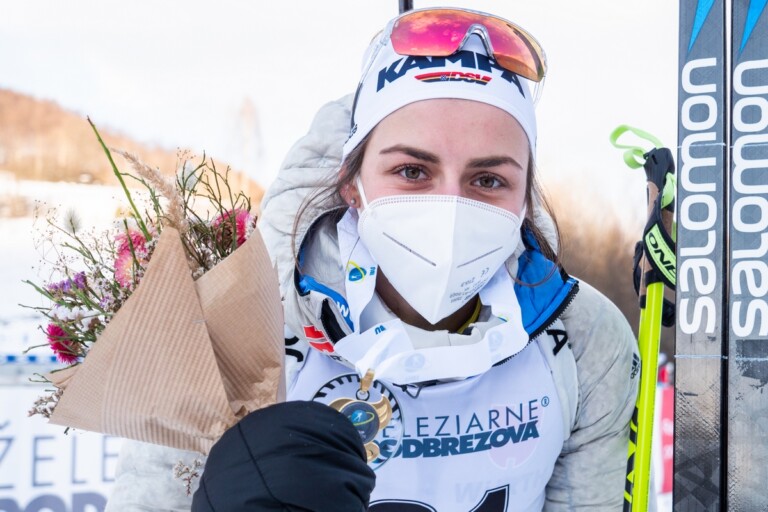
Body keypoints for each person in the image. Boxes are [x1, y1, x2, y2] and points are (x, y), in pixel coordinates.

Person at [108, 7, 641, 511]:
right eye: (412, 171)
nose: (449, 207)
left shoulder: (585, 338)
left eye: (488, 179)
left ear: (525, 197)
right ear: (352, 183)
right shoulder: (230, 331)